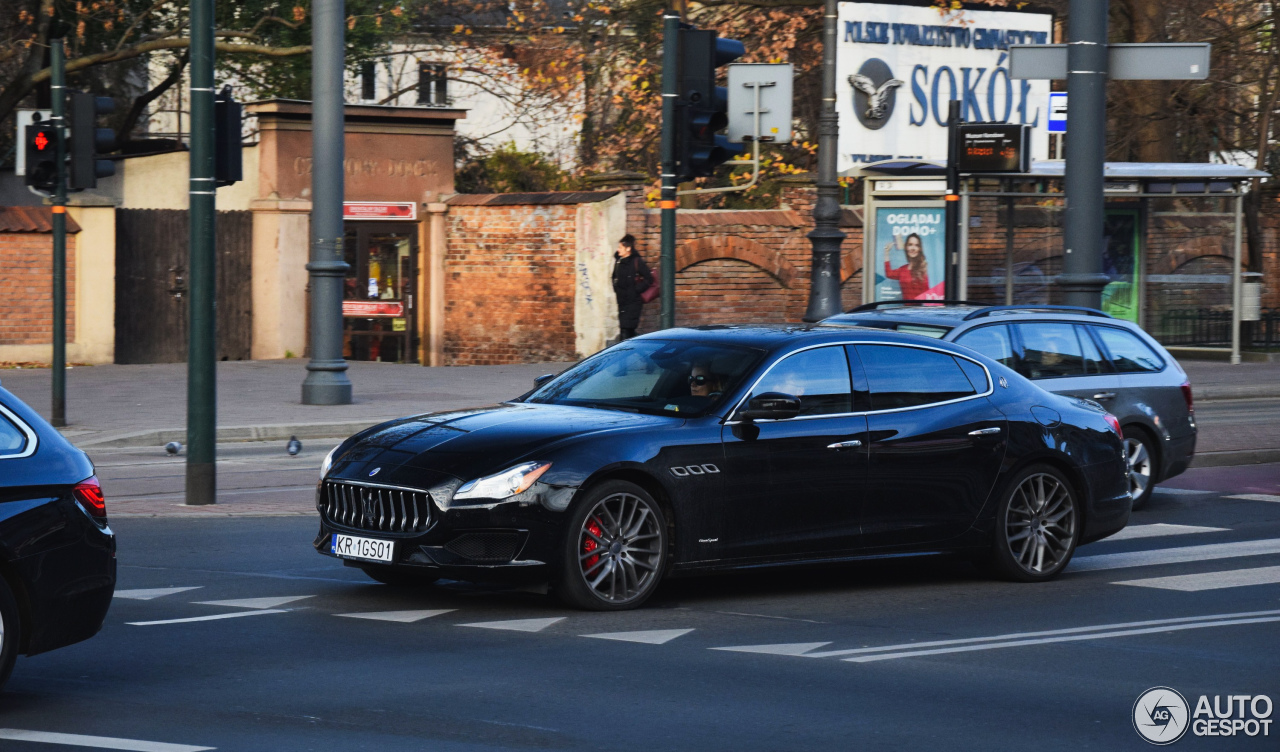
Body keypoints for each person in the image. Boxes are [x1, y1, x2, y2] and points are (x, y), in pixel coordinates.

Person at [612, 234, 653, 340]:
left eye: (620, 247)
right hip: (622, 302)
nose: (618, 250)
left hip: (633, 303)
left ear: (628, 248)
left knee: (626, 330)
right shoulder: (618, 261)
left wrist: (636, 291)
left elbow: (649, 278)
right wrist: (617, 290)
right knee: (626, 331)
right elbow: (613, 277)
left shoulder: (636, 261)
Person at [883, 232, 930, 300]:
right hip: (906, 309)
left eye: (916, 245)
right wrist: (886, 253)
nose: (913, 248)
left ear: (919, 249)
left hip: (920, 309)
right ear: (906, 247)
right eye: (910, 244)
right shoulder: (903, 269)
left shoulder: (922, 268)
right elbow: (889, 274)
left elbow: (927, 294)